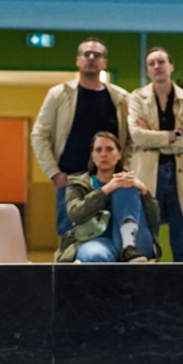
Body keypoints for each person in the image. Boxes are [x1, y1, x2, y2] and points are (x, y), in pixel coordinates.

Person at [31, 38, 131, 237]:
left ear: (104, 62)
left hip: (111, 183)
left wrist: (125, 170)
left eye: (97, 55)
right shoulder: (59, 95)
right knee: (70, 240)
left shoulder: (121, 98)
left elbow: (130, 141)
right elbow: (39, 135)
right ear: (78, 60)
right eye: (87, 54)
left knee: (116, 239)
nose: (91, 58)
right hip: (71, 183)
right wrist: (53, 173)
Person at [128, 47, 183, 262]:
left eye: (161, 62)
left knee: (181, 243)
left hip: (180, 175)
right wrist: (173, 136)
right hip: (149, 175)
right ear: (147, 70)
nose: (156, 67)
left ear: (171, 66)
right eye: (151, 64)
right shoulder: (137, 97)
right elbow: (137, 136)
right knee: (147, 240)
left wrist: (153, 138)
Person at [55, 132, 160, 263]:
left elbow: (153, 220)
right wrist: (107, 189)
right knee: (96, 256)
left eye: (109, 149)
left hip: (136, 242)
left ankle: (128, 246)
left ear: (119, 154)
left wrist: (143, 190)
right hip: (95, 239)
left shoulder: (130, 182)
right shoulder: (77, 183)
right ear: (92, 156)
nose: (104, 154)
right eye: (98, 150)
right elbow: (76, 214)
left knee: (125, 188)